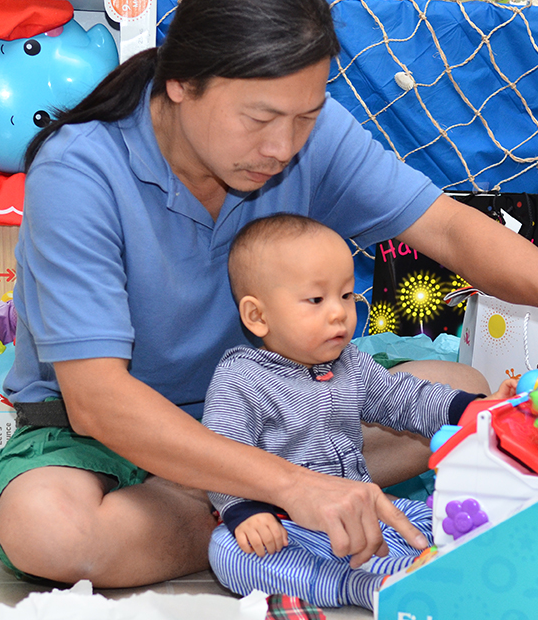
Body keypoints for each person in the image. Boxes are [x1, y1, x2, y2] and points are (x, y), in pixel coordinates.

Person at [0, 0, 538, 589]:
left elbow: (445, 226)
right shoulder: (80, 172)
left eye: (304, 117)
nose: (281, 148)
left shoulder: (312, 135)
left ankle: (248, 511)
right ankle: (262, 506)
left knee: (456, 391)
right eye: (260, 118)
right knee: (48, 528)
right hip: (102, 438)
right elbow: (100, 402)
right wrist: (293, 484)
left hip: (274, 414)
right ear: (180, 82)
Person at [204, 214, 516, 608]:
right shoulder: (241, 378)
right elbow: (223, 456)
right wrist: (244, 510)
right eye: (316, 300)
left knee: (421, 517)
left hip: (362, 514)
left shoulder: (349, 363)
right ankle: (363, 586)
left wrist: (471, 408)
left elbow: (405, 398)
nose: (339, 312)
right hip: (288, 526)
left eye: (347, 295)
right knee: (228, 553)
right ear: (258, 316)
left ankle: (436, 559)